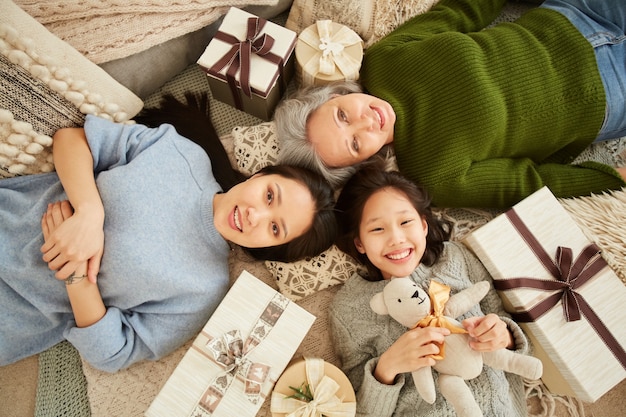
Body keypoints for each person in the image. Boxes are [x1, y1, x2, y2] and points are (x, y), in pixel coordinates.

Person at [0, 113, 337, 372]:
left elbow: (114, 353)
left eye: (275, 229)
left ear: (271, 248)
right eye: (268, 196)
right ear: (261, 174)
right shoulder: (180, 153)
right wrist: (89, 212)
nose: (255, 215)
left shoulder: (203, 290)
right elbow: (73, 140)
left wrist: (75, 275)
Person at [274, 0, 626, 208]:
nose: (366, 121)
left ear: (339, 94)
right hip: (602, 94)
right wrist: (611, 178)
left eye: (341, 114)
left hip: (567, 16)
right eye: (354, 142)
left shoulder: (383, 60)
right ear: (364, 161)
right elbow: (528, 184)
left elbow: (460, 12)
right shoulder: (435, 175)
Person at [329, 159, 531, 416]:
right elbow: (359, 409)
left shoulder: (455, 258)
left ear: (423, 225)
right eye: (378, 229)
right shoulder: (348, 308)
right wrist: (387, 367)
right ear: (359, 243)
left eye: (405, 222)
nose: (396, 239)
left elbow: (505, 320)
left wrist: (505, 335)